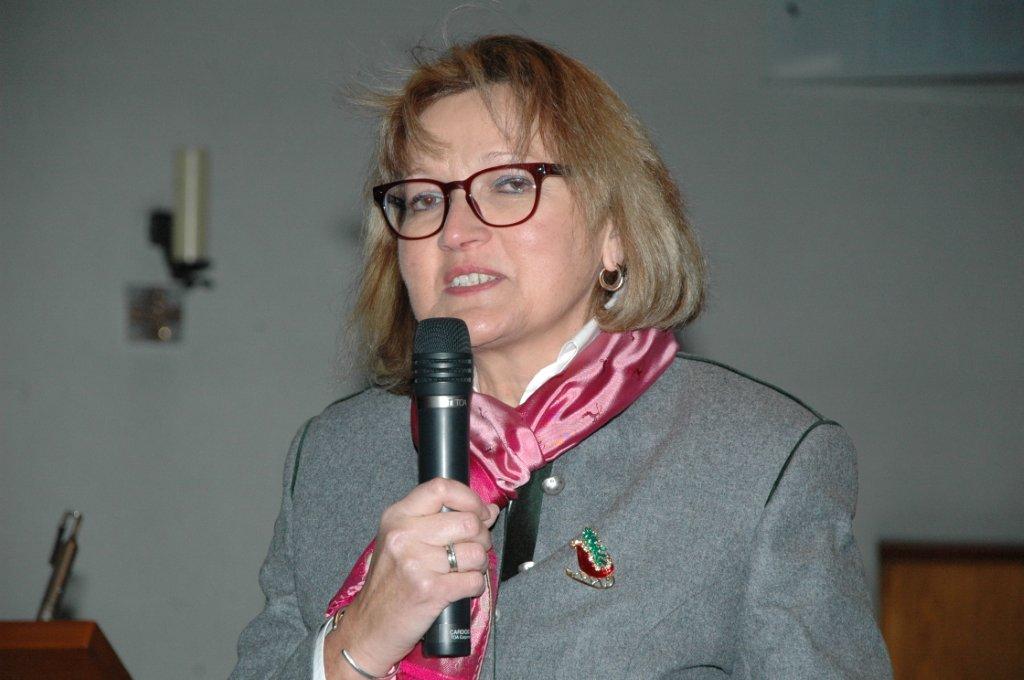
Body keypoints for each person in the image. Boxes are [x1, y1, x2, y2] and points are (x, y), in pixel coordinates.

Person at [230, 35, 893, 679]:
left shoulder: (759, 462)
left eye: (509, 183)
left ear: (615, 231)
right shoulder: (330, 457)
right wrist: (355, 643)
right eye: (425, 198)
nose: (455, 231)